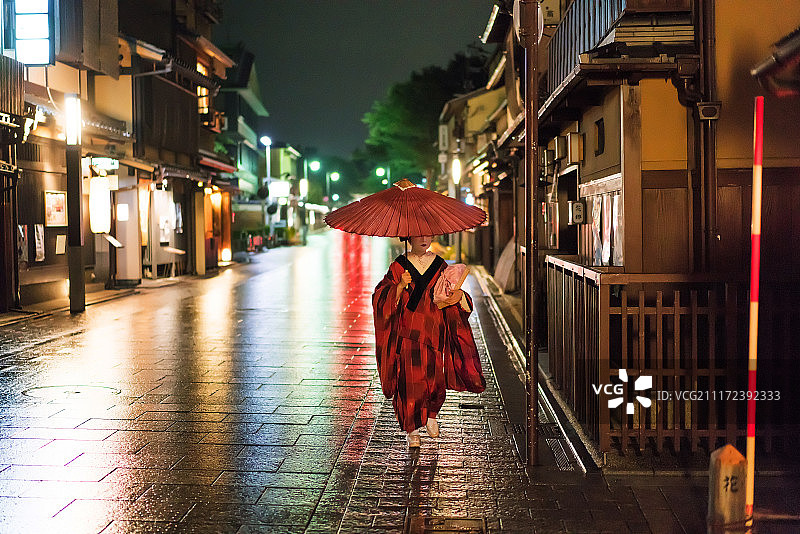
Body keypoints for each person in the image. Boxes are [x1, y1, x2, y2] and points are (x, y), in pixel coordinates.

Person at [372, 235, 486, 448]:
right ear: (408, 237)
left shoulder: (440, 265)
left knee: (433, 377)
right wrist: (398, 287)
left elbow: (450, 291)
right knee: (409, 380)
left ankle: (431, 413)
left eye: (428, 235)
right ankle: (412, 429)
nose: (424, 239)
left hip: (434, 329)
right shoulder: (398, 266)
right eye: (419, 235)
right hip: (408, 331)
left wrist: (457, 295)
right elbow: (379, 296)